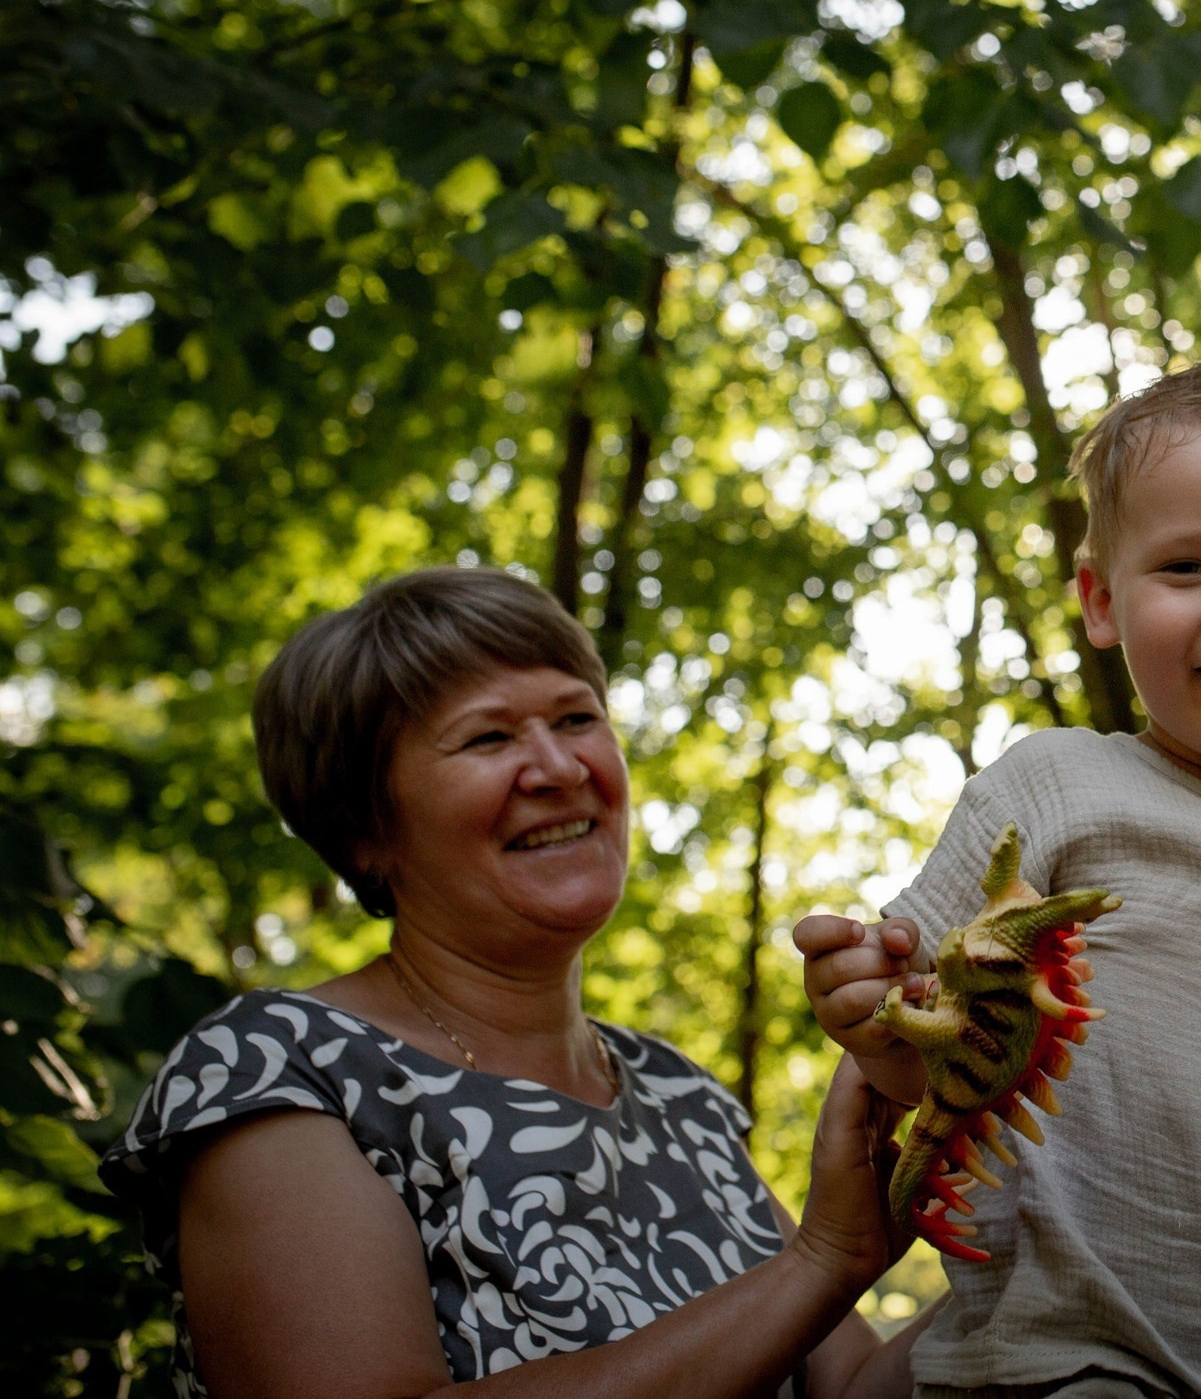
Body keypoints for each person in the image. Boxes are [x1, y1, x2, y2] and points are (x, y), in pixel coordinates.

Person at [796, 355, 1201, 1399]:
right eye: (1188, 569)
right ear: (1102, 602)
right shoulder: (1057, 787)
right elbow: (931, 1048)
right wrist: (868, 1010)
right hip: (1063, 1354)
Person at [102, 566, 920, 1399]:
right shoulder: (278, 1067)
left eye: (578, 717)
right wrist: (819, 1262)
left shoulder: (680, 1094)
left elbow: (856, 1387)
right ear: (362, 829)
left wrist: (1031, 1139)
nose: (559, 766)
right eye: (489, 738)